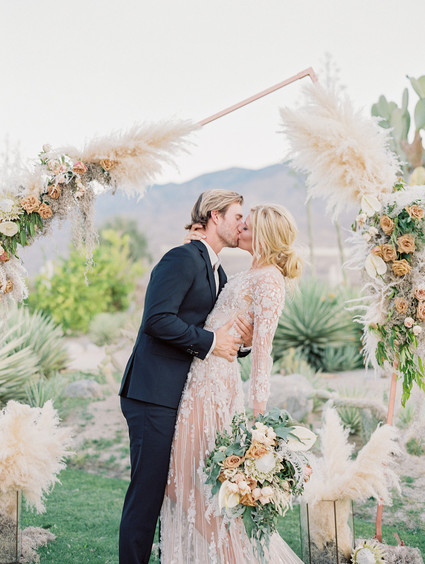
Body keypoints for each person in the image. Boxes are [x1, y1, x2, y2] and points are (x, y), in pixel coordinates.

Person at [160, 203, 303, 563]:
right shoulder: (246, 272)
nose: (240, 229)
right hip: (198, 378)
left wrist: (259, 417)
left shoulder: (269, 280)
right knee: (188, 479)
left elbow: (263, 352)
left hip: (215, 385)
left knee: (180, 481)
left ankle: (232, 556)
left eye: (247, 227)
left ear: (263, 237)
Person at [118, 189, 254, 564]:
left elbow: (213, 329)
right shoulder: (181, 258)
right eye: (237, 216)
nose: (242, 224)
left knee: (177, 490)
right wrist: (211, 343)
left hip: (182, 397)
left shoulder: (218, 271)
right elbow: (157, 320)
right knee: (147, 494)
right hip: (152, 394)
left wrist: (239, 344)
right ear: (214, 216)